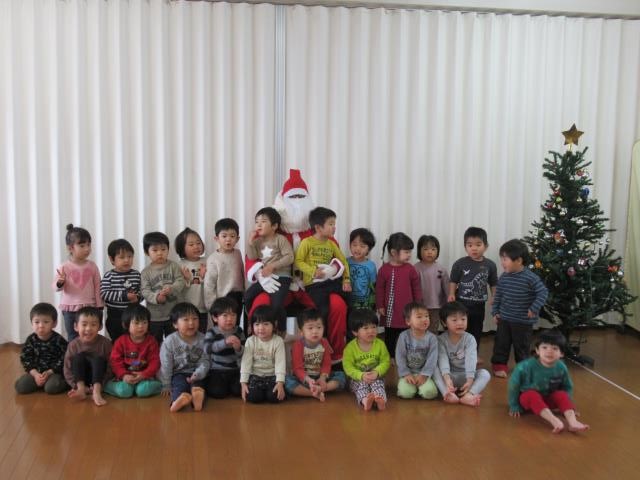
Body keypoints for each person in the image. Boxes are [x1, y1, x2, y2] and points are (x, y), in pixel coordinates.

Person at [246, 169, 349, 363]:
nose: (297, 202)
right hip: (278, 284)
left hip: (310, 287)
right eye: (293, 197)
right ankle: (260, 357)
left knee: (337, 305)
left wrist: (333, 269)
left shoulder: (318, 232)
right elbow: (251, 256)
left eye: (301, 197)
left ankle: (335, 356)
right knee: (260, 304)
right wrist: (259, 274)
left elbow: (337, 255)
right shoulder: (269, 232)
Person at [508, 330, 589, 433]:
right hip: (528, 401)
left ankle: (573, 422)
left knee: (561, 394)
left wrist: (567, 406)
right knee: (531, 395)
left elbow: (567, 387)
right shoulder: (524, 367)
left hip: (548, 399)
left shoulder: (561, 367)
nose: (549, 351)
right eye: (544, 347)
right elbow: (513, 385)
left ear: (562, 353)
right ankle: (554, 420)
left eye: (554, 348)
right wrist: (514, 405)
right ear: (537, 350)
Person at [491, 239, 549, 378]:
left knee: (522, 346)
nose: (502, 262)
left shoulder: (530, 277)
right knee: (501, 343)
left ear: (518, 260)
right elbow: (498, 295)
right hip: (504, 319)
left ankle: (523, 367)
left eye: (505, 259)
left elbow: (543, 292)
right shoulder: (504, 277)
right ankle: (499, 365)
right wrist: (495, 312)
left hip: (523, 321)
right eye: (502, 259)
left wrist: (534, 308)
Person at [294, 206, 351, 322]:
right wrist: (313, 271)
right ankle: (322, 332)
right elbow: (298, 261)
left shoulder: (331, 244)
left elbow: (343, 261)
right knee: (324, 310)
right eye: (330, 224)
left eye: (334, 224)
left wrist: (346, 280)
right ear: (318, 228)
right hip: (314, 285)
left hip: (329, 281)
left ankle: (351, 330)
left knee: (349, 297)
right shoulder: (306, 242)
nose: (334, 227)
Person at [448, 227, 498, 354]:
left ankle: (473, 353)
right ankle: (458, 353)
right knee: (460, 329)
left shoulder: (490, 265)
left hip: (479, 305)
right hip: (461, 304)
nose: (474, 248)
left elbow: (493, 283)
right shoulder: (460, 263)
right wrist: (451, 293)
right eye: (470, 245)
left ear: (486, 246)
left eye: (478, 245)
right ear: (465, 247)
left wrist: (494, 296)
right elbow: (453, 280)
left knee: (476, 330)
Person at [432, 302, 491, 407]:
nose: (460, 323)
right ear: (444, 323)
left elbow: (471, 359)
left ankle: (469, 395)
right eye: (454, 320)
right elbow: (442, 359)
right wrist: (447, 378)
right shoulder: (440, 340)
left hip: (465, 376)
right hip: (449, 377)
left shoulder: (470, 339)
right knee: (433, 368)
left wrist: (470, 379)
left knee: (485, 374)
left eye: (463, 319)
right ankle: (447, 393)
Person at [244, 207, 294, 328]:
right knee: (247, 296)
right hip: (265, 278)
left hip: (282, 277)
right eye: (257, 222)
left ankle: (281, 329)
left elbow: (290, 257)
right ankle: (253, 322)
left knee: (276, 304)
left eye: (263, 221)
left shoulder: (280, 239)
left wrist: (272, 266)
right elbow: (252, 256)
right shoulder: (257, 241)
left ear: (274, 226)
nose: (259, 225)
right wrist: (250, 243)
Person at [54, 224, 104, 341]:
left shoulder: (92, 266)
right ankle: (73, 353)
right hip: (70, 309)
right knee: (73, 336)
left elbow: (98, 286)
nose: (87, 249)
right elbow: (56, 287)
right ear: (70, 248)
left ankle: (90, 352)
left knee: (90, 336)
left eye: (88, 245)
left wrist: (99, 305)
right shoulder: (64, 266)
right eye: (82, 245)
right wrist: (60, 282)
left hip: (89, 308)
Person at [376, 232, 422, 357]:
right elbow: (379, 289)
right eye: (406, 252)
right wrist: (380, 305)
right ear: (393, 252)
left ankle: (406, 356)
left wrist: (418, 305)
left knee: (407, 334)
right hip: (390, 311)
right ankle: (390, 356)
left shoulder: (410, 269)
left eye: (410, 252)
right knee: (390, 335)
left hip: (407, 310)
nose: (409, 255)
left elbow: (416, 288)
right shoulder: (384, 270)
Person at [285, 308, 346, 401]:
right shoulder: (297, 345)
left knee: (341, 375)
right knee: (287, 381)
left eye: (319, 327)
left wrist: (322, 378)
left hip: (320, 377)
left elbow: (326, 363)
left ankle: (321, 389)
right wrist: (308, 380)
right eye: (310, 328)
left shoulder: (324, 343)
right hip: (304, 379)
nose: (315, 331)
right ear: (301, 332)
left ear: (323, 328)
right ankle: (312, 393)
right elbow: (297, 368)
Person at [103, 304, 162, 398]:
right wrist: (123, 375)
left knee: (142, 391)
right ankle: (105, 386)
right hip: (124, 377)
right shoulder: (120, 341)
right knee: (125, 391)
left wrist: (144, 374)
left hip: (145, 377)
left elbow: (155, 361)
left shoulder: (151, 341)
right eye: (136, 323)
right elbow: (115, 361)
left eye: (144, 322)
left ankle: (158, 386)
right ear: (125, 324)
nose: (141, 326)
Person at [159, 302, 209, 412]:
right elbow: (166, 364)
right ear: (175, 324)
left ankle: (197, 399)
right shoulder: (170, 341)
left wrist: (198, 373)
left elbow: (205, 361)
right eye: (186, 319)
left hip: (197, 373)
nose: (191, 323)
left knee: (200, 386)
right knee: (179, 386)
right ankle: (178, 400)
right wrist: (166, 384)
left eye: (195, 319)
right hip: (178, 373)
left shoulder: (203, 339)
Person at [140, 231, 186, 345]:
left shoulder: (173, 266)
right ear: (146, 252)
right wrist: (156, 297)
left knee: (175, 341)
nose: (160, 253)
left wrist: (172, 288)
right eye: (155, 250)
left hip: (174, 314)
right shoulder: (145, 272)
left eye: (163, 249)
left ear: (168, 250)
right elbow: (145, 291)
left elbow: (181, 281)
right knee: (155, 342)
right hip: (155, 316)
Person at [15, 303, 68, 395]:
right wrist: (35, 374)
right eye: (37, 322)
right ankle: (40, 382)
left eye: (46, 322)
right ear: (32, 323)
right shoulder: (31, 340)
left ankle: (64, 383)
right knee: (20, 386)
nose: (41, 326)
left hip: (54, 373)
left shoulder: (59, 340)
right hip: (36, 372)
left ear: (54, 323)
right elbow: (25, 358)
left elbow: (65, 358)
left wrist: (50, 372)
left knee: (51, 388)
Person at [63, 307, 112, 406]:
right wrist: (75, 385)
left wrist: (102, 386)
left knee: (98, 359)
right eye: (84, 324)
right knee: (78, 358)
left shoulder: (105, 343)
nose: (88, 328)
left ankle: (96, 392)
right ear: (76, 326)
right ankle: (81, 390)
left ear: (100, 327)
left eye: (93, 324)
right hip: (80, 379)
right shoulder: (73, 345)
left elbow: (111, 367)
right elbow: (67, 368)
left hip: (98, 380)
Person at [343, 309, 390, 411]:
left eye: (374, 327)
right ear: (355, 332)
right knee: (362, 386)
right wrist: (361, 375)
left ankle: (380, 400)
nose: (371, 331)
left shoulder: (380, 344)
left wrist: (377, 372)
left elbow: (385, 361)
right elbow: (348, 367)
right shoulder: (350, 348)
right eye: (365, 328)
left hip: (376, 377)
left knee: (378, 384)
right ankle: (365, 401)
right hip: (357, 379)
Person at [240, 306, 286, 404]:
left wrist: (280, 383)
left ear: (274, 324)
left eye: (266, 324)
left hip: (272, 376)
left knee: (274, 397)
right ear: (252, 326)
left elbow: (280, 363)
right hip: (255, 376)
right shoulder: (250, 341)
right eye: (257, 324)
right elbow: (246, 363)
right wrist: (243, 383)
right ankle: (262, 393)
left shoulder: (278, 341)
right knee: (253, 397)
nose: (261, 328)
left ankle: (269, 392)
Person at [100, 238, 141, 342]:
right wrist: (124, 296)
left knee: (133, 339)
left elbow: (142, 290)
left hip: (132, 314)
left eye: (130, 256)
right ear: (112, 259)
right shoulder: (109, 275)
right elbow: (104, 293)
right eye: (122, 257)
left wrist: (137, 298)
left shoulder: (136, 274)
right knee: (117, 339)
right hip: (115, 315)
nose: (126, 260)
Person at [204, 297, 245, 399]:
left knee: (238, 391)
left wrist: (238, 348)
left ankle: (229, 386)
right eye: (225, 315)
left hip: (235, 370)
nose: (230, 319)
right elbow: (207, 349)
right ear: (215, 318)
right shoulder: (212, 332)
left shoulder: (239, 331)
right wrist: (224, 343)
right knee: (217, 393)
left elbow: (244, 352)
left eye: (233, 315)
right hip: (217, 370)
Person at [395, 302, 438, 400]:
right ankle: (410, 387)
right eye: (419, 317)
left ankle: (420, 388)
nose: (424, 319)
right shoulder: (403, 336)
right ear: (408, 321)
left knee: (429, 393)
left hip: (424, 373)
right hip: (408, 373)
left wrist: (424, 374)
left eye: (426, 316)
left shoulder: (432, 338)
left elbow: (432, 359)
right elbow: (400, 357)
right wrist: (406, 373)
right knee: (406, 393)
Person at [204, 218, 244, 321]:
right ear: (217, 238)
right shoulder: (213, 259)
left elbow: (242, 274)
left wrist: (245, 293)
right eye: (224, 236)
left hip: (238, 296)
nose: (228, 239)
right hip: (222, 299)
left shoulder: (238, 253)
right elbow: (209, 284)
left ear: (237, 239)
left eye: (232, 236)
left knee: (235, 324)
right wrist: (211, 306)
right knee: (222, 327)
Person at [175, 228, 208, 333]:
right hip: (185, 309)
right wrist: (186, 280)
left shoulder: (207, 261)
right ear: (182, 247)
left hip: (203, 308)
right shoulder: (179, 265)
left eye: (198, 243)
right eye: (191, 244)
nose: (196, 246)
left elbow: (212, 284)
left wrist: (204, 277)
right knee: (186, 334)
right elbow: (177, 288)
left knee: (201, 334)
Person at [414, 235, 449, 334]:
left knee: (433, 328)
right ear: (419, 251)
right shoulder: (415, 268)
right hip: (419, 306)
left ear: (438, 251)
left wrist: (448, 304)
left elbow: (447, 288)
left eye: (433, 249)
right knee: (419, 327)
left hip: (436, 306)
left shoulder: (441, 269)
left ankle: (432, 343)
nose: (430, 252)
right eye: (426, 249)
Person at [347, 228, 377, 311]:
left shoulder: (371, 265)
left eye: (362, 246)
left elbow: (373, 286)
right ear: (350, 245)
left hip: (365, 304)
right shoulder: (345, 262)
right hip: (348, 301)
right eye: (354, 245)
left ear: (369, 249)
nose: (357, 249)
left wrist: (373, 304)